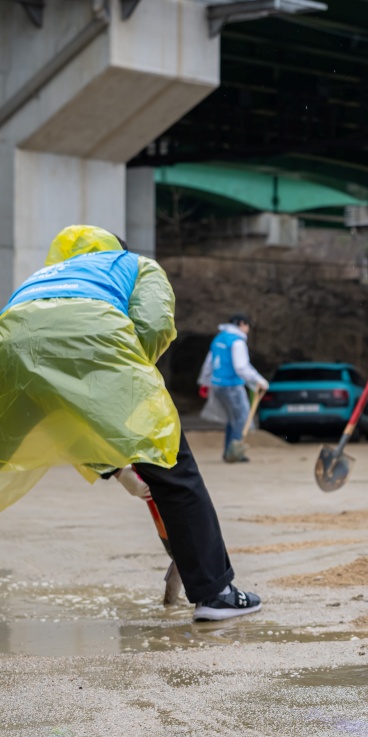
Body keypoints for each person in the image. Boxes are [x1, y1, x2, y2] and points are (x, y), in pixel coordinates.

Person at [0, 225, 263, 620]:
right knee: (170, 463)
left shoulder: (44, 276)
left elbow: (63, 415)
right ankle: (215, 593)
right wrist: (129, 395)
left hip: (9, 346)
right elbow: (154, 327)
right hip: (94, 338)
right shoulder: (135, 265)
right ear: (117, 248)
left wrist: (115, 467)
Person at [198, 313, 268, 463]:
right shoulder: (237, 342)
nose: (248, 329)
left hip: (217, 384)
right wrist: (259, 380)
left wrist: (205, 382)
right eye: (247, 325)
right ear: (241, 324)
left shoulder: (219, 338)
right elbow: (241, 367)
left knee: (233, 419)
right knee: (241, 418)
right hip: (231, 385)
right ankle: (234, 453)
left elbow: (209, 363)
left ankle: (227, 451)